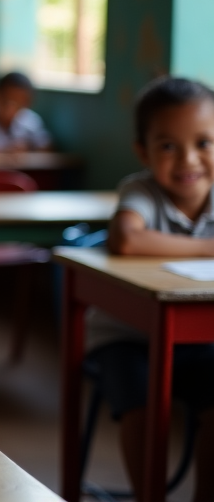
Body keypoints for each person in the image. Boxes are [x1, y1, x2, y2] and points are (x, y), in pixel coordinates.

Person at [89, 76, 214, 501]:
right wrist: (208, 248)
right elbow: (128, 239)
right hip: (128, 337)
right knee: (142, 405)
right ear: (143, 151)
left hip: (198, 340)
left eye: (204, 142)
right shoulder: (140, 191)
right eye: (167, 146)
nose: (189, 160)